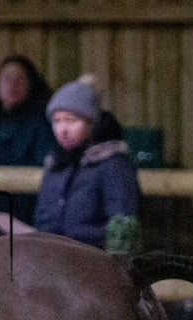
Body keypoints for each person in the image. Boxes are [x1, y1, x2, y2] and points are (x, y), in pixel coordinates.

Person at [33, 74, 140, 249]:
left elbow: (122, 228)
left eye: (71, 120)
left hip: (93, 262)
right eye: (57, 121)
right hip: (51, 259)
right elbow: (42, 219)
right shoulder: (55, 164)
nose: (62, 129)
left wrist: (75, 237)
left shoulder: (112, 164)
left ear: (91, 123)